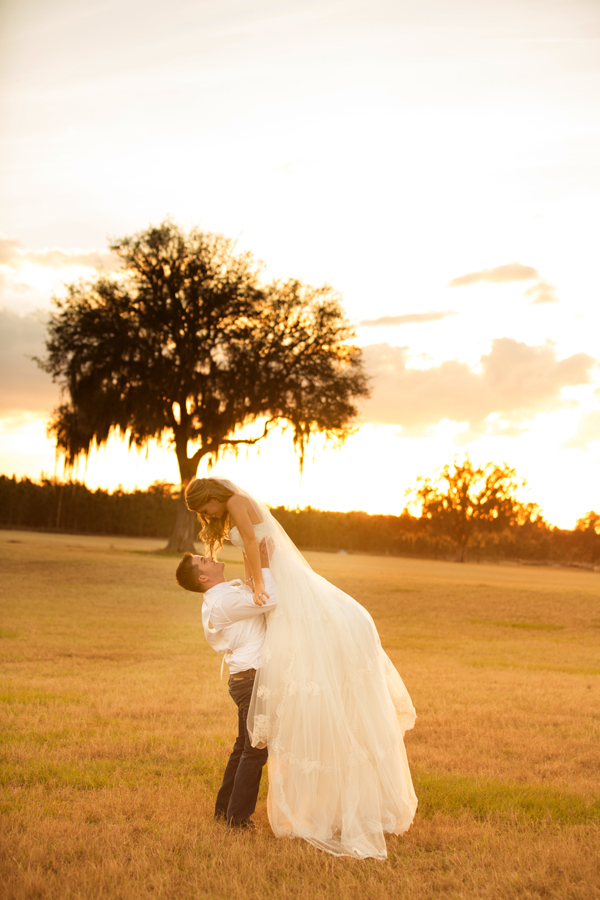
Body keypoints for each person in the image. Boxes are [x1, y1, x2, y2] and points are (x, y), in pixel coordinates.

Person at [183, 476, 418, 860]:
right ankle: (231, 816)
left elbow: (252, 548)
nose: (207, 516)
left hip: (273, 579)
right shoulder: (223, 585)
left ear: (212, 497)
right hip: (267, 591)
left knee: (248, 743)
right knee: (250, 744)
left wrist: (258, 582)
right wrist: (256, 580)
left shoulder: (238, 504)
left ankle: (229, 815)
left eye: (205, 509)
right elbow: (251, 551)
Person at [175, 541, 277, 829]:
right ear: (203, 578)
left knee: (244, 746)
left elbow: (250, 588)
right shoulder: (222, 602)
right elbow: (269, 599)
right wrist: (265, 565)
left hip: (246, 677)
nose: (208, 556)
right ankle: (237, 818)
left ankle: (224, 810)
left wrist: (253, 556)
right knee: (255, 750)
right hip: (252, 678)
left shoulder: (223, 597)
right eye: (201, 560)